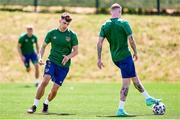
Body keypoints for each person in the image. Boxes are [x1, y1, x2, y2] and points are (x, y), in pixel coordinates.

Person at [97, 3, 161, 116]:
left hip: (115, 58)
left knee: (135, 78)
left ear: (111, 12)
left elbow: (99, 43)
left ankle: (147, 98)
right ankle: (120, 109)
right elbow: (131, 40)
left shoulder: (104, 25)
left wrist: (99, 58)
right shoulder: (124, 23)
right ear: (120, 12)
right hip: (125, 57)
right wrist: (136, 52)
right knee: (126, 84)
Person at [27, 12, 78, 114]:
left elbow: (76, 51)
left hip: (64, 66)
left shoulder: (72, 35)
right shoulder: (51, 33)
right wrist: (40, 58)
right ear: (59, 21)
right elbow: (43, 47)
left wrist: (68, 57)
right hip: (52, 61)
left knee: (54, 90)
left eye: (67, 24)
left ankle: (46, 103)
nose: (65, 26)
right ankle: (34, 105)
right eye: (64, 23)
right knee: (45, 81)